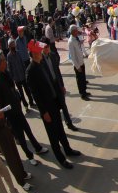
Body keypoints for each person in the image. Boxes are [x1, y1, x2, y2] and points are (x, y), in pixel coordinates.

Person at [25, 39, 81, 169]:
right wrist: (43, 112)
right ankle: (61, 159)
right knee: (53, 135)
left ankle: (67, 150)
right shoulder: (31, 71)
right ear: (34, 53)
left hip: (54, 101)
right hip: (47, 108)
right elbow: (36, 95)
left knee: (60, 130)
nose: (41, 51)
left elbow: (52, 79)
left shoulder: (43, 62)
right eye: (39, 50)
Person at [0, 50, 47, 166]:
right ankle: (29, 156)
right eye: (3, 61)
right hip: (10, 112)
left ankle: (37, 147)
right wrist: (5, 113)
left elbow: (12, 87)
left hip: (16, 107)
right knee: (20, 135)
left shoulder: (6, 73)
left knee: (27, 129)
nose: (5, 62)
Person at [42, 38, 78, 131]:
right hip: (49, 87)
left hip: (57, 84)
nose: (47, 49)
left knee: (63, 105)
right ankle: (59, 127)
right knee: (55, 109)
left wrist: (62, 85)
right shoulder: (40, 60)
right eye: (45, 47)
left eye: (48, 46)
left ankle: (69, 123)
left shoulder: (53, 56)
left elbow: (57, 72)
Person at [7, 38, 34, 110]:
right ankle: (26, 106)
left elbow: (22, 63)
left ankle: (31, 102)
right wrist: (12, 78)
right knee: (21, 93)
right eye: (12, 45)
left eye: (14, 45)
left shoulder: (18, 53)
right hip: (16, 78)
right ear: (9, 46)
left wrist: (25, 72)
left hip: (22, 75)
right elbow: (10, 68)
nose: (13, 47)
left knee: (27, 90)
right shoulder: (8, 56)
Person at [68, 25, 91, 101]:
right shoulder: (71, 41)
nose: (77, 32)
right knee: (80, 80)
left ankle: (84, 91)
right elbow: (73, 56)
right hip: (78, 64)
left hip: (81, 61)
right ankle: (82, 94)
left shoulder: (76, 38)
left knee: (83, 78)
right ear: (73, 32)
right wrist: (77, 66)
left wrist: (80, 42)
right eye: (76, 31)